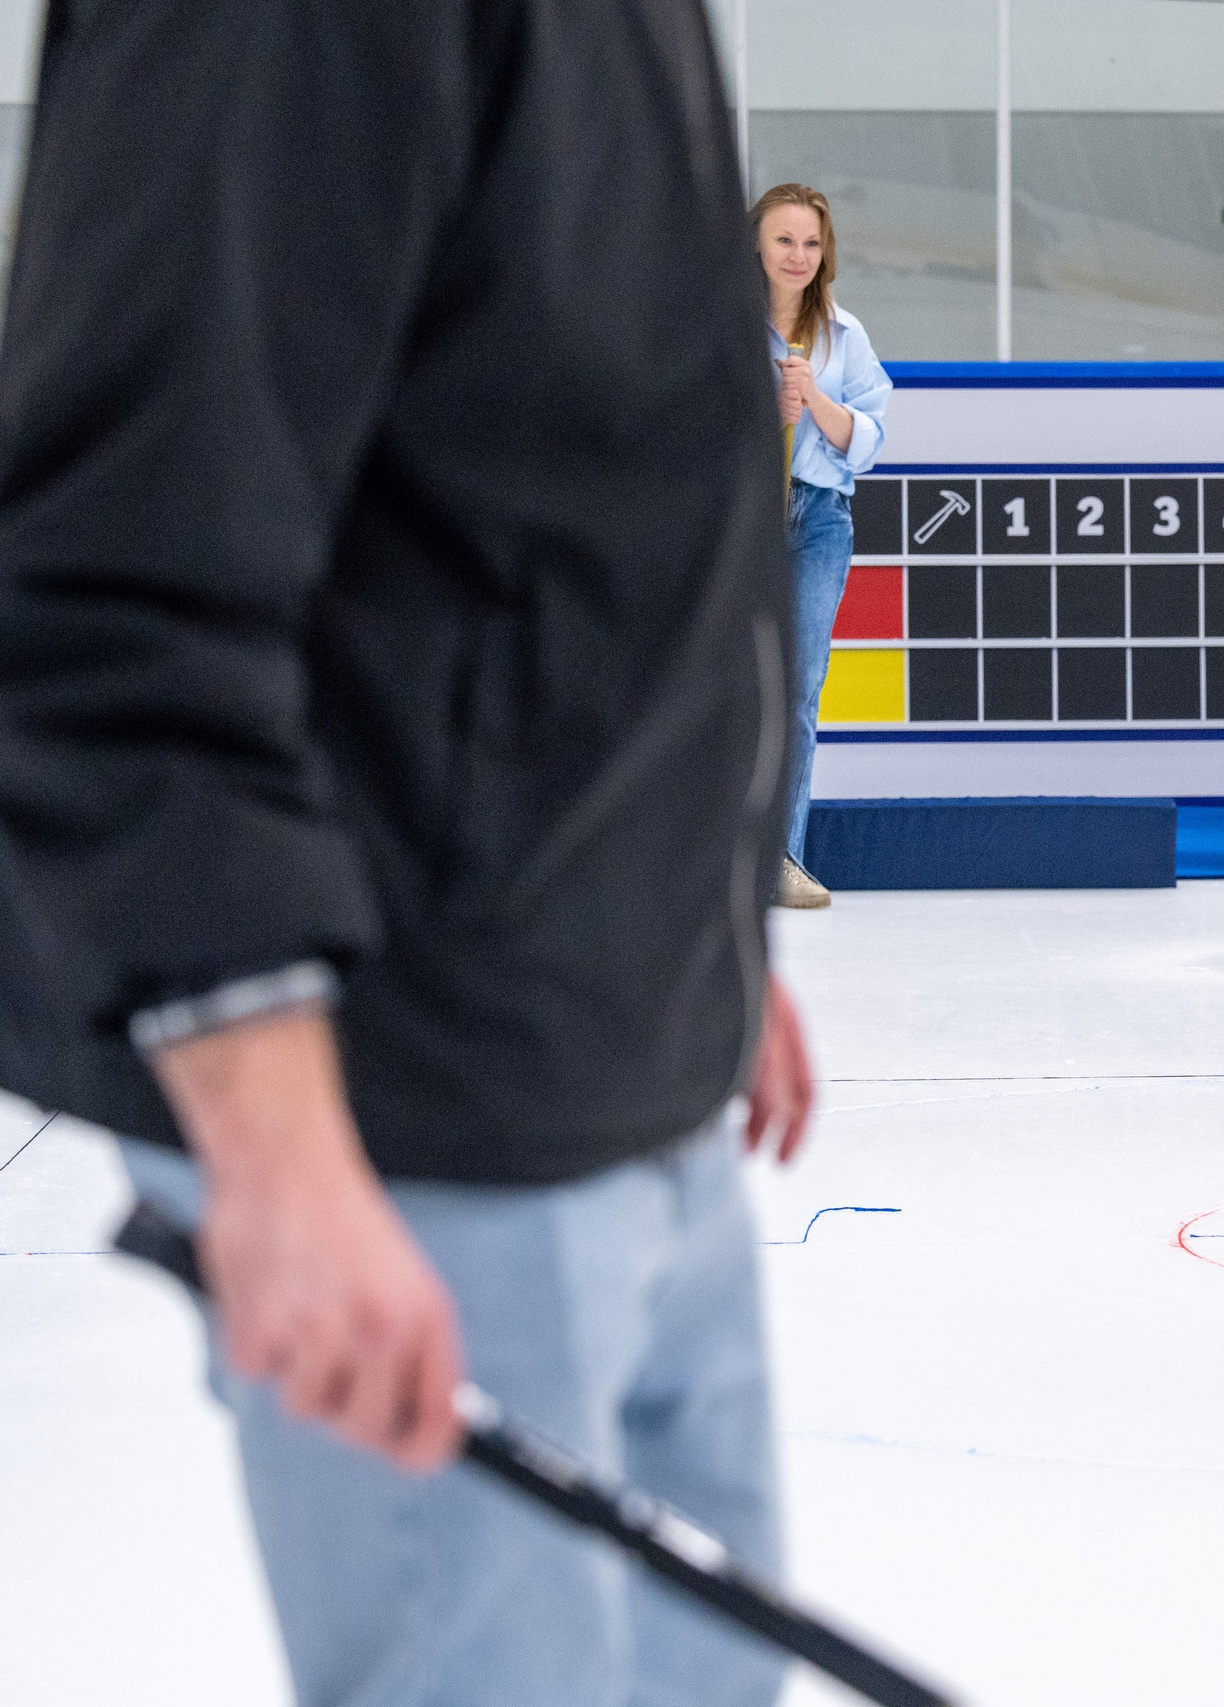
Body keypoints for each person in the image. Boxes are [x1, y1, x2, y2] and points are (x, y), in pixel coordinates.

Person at [0, 6, 813, 1704]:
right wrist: (273, 1136)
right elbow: (120, 571)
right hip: (417, 1098)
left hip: (628, 1042)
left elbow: (578, 491)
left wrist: (704, 905)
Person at [753, 183, 891, 910]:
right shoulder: (721, 323)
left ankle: (783, 857)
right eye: (784, 239)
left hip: (820, 520)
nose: (797, 255)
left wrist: (814, 399)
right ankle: (713, 862)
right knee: (731, 683)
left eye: (810, 242)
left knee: (800, 687)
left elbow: (867, 440)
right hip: (745, 515)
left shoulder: (844, 334)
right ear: (756, 243)